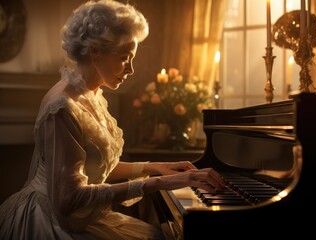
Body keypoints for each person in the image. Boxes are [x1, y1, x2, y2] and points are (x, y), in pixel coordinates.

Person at [0, 0, 225, 239]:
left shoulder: (91, 94)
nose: (131, 70)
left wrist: (154, 168)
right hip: (53, 224)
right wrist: (157, 183)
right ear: (95, 51)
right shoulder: (62, 108)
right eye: (124, 57)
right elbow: (68, 199)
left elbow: (93, 168)